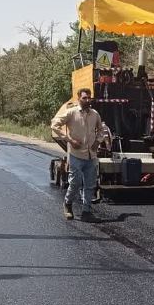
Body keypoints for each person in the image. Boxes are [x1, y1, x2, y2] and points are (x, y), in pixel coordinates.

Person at [52, 88, 103, 222]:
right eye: (84, 98)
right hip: (76, 155)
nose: (87, 100)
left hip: (91, 155)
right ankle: (68, 204)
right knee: (75, 182)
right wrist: (69, 140)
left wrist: (97, 142)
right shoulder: (71, 112)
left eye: (89, 98)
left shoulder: (94, 114)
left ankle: (86, 211)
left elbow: (101, 129)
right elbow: (54, 125)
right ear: (78, 98)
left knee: (90, 184)